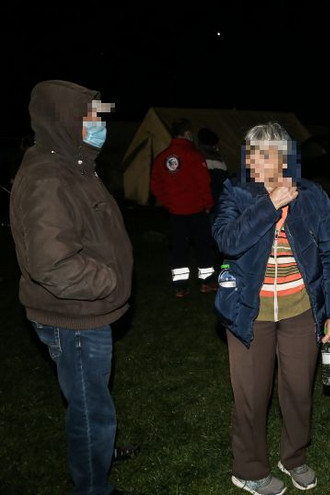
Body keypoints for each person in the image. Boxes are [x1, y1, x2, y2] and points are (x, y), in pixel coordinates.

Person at [9, 80, 139, 495]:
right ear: (64, 119)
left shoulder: (74, 164)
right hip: (75, 319)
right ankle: (92, 485)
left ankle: (98, 454)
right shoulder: (49, 177)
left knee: (92, 401)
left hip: (86, 314)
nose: (99, 125)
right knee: (89, 412)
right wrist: (110, 280)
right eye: (91, 117)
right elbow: (53, 264)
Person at [212, 121, 330, 495]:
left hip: (300, 312)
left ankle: (294, 458)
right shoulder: (235, 193)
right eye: (251, 153)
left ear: (284, 158)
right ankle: (249, 469)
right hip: (248, 313)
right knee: (251, 397)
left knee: (298, 392)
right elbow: (227, 241)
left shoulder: (313, 196)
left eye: (264, 154)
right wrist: (269, 206)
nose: (254, 161)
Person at [150, 118, 218, 297]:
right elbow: (204, 183)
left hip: (175, 214)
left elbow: (155, 185)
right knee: (203, 248)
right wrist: (208, 204)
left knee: (178, 250)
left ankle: (180, 287)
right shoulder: (194, 155)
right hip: (197, 212)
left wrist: (169, 202)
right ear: (187, 134)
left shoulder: (162, 157)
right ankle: (207, 283)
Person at [197, 126, 230, 216]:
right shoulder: (216, 161)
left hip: (200, 205)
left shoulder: (196, 157)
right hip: (213, 205)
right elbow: (222, 185)